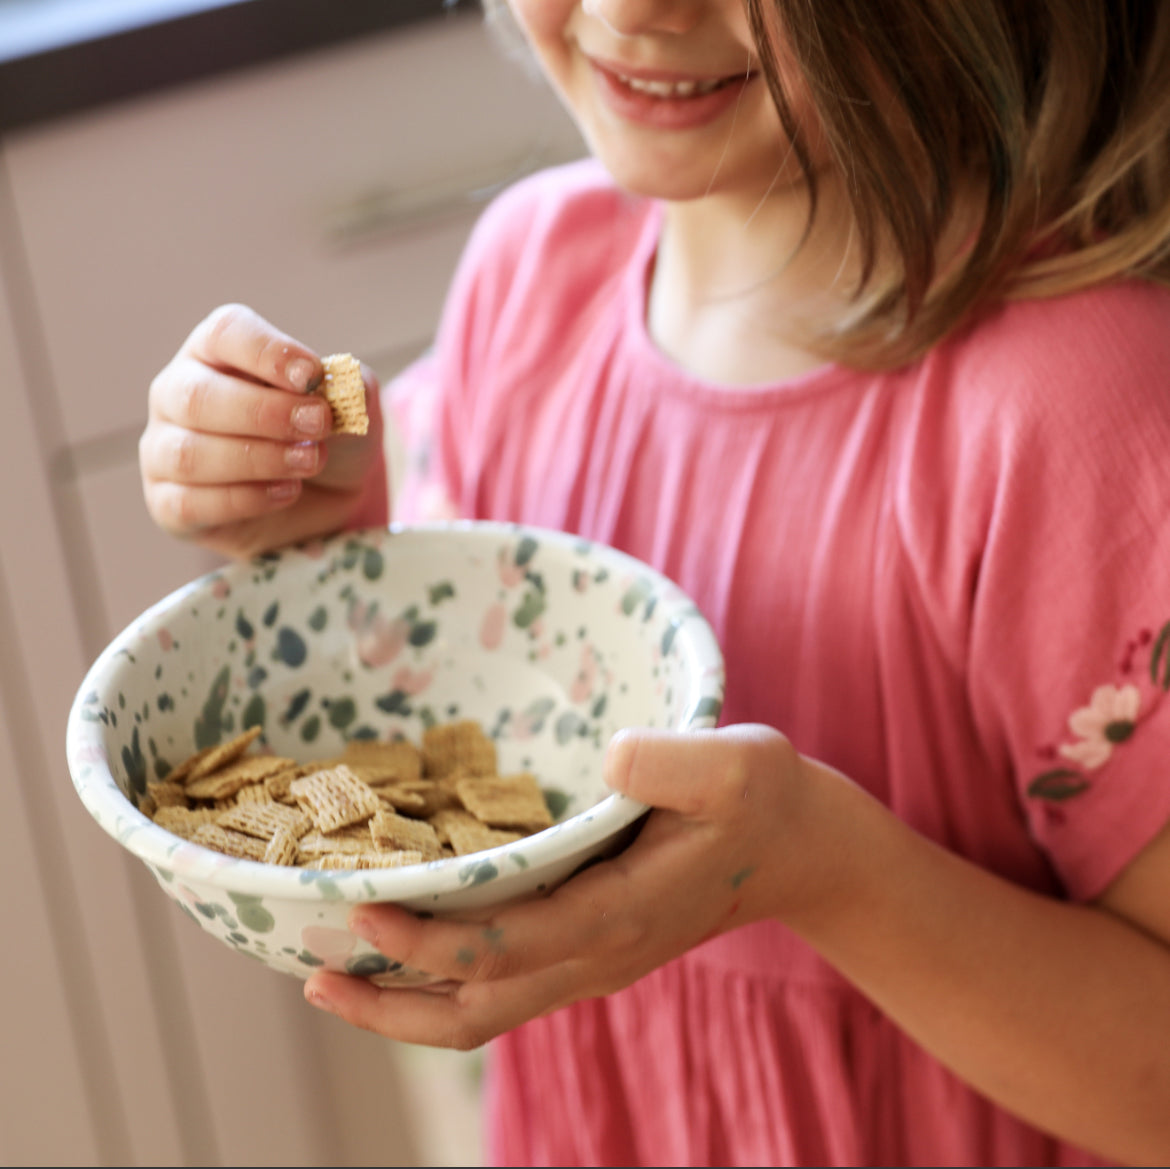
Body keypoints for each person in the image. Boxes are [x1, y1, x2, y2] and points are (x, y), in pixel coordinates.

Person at [139, 1, 1170, 1164]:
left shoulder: (1083, 416)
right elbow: (444, 685)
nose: (634, 9)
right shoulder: (528, 285)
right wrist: (316, 522)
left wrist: (828, 871)